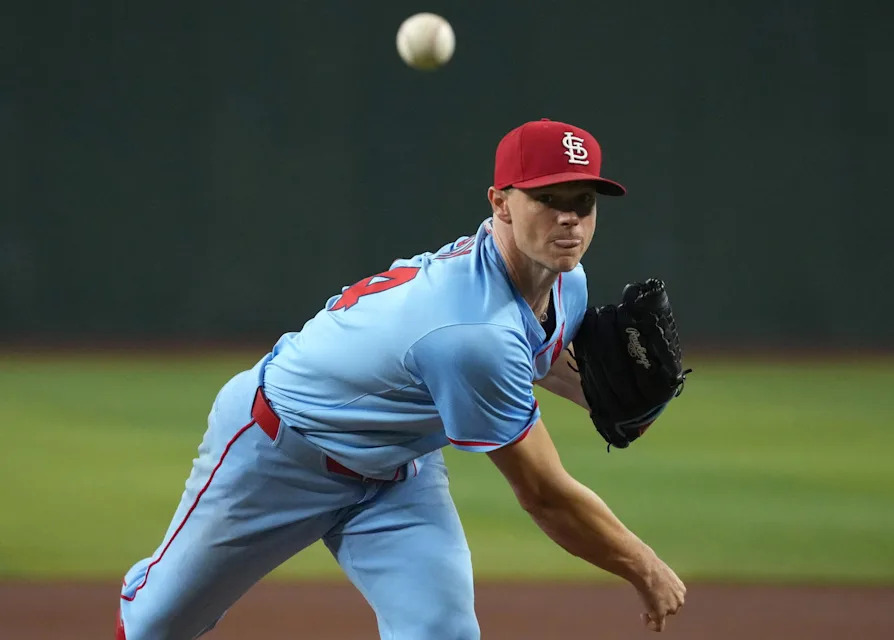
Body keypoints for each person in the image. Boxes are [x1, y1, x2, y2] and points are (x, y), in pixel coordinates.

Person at [116, 118, 686, 640]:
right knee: (157, 627)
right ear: (501, 204)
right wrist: (644, 566)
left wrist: (620, 406)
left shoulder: (568, 282)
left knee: (441, 631)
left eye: (583, 202)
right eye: (547, 198)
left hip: (395, 474)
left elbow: (534, 358)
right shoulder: (469, 333)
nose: (570, 218)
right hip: (276, 454)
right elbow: (544, 495)